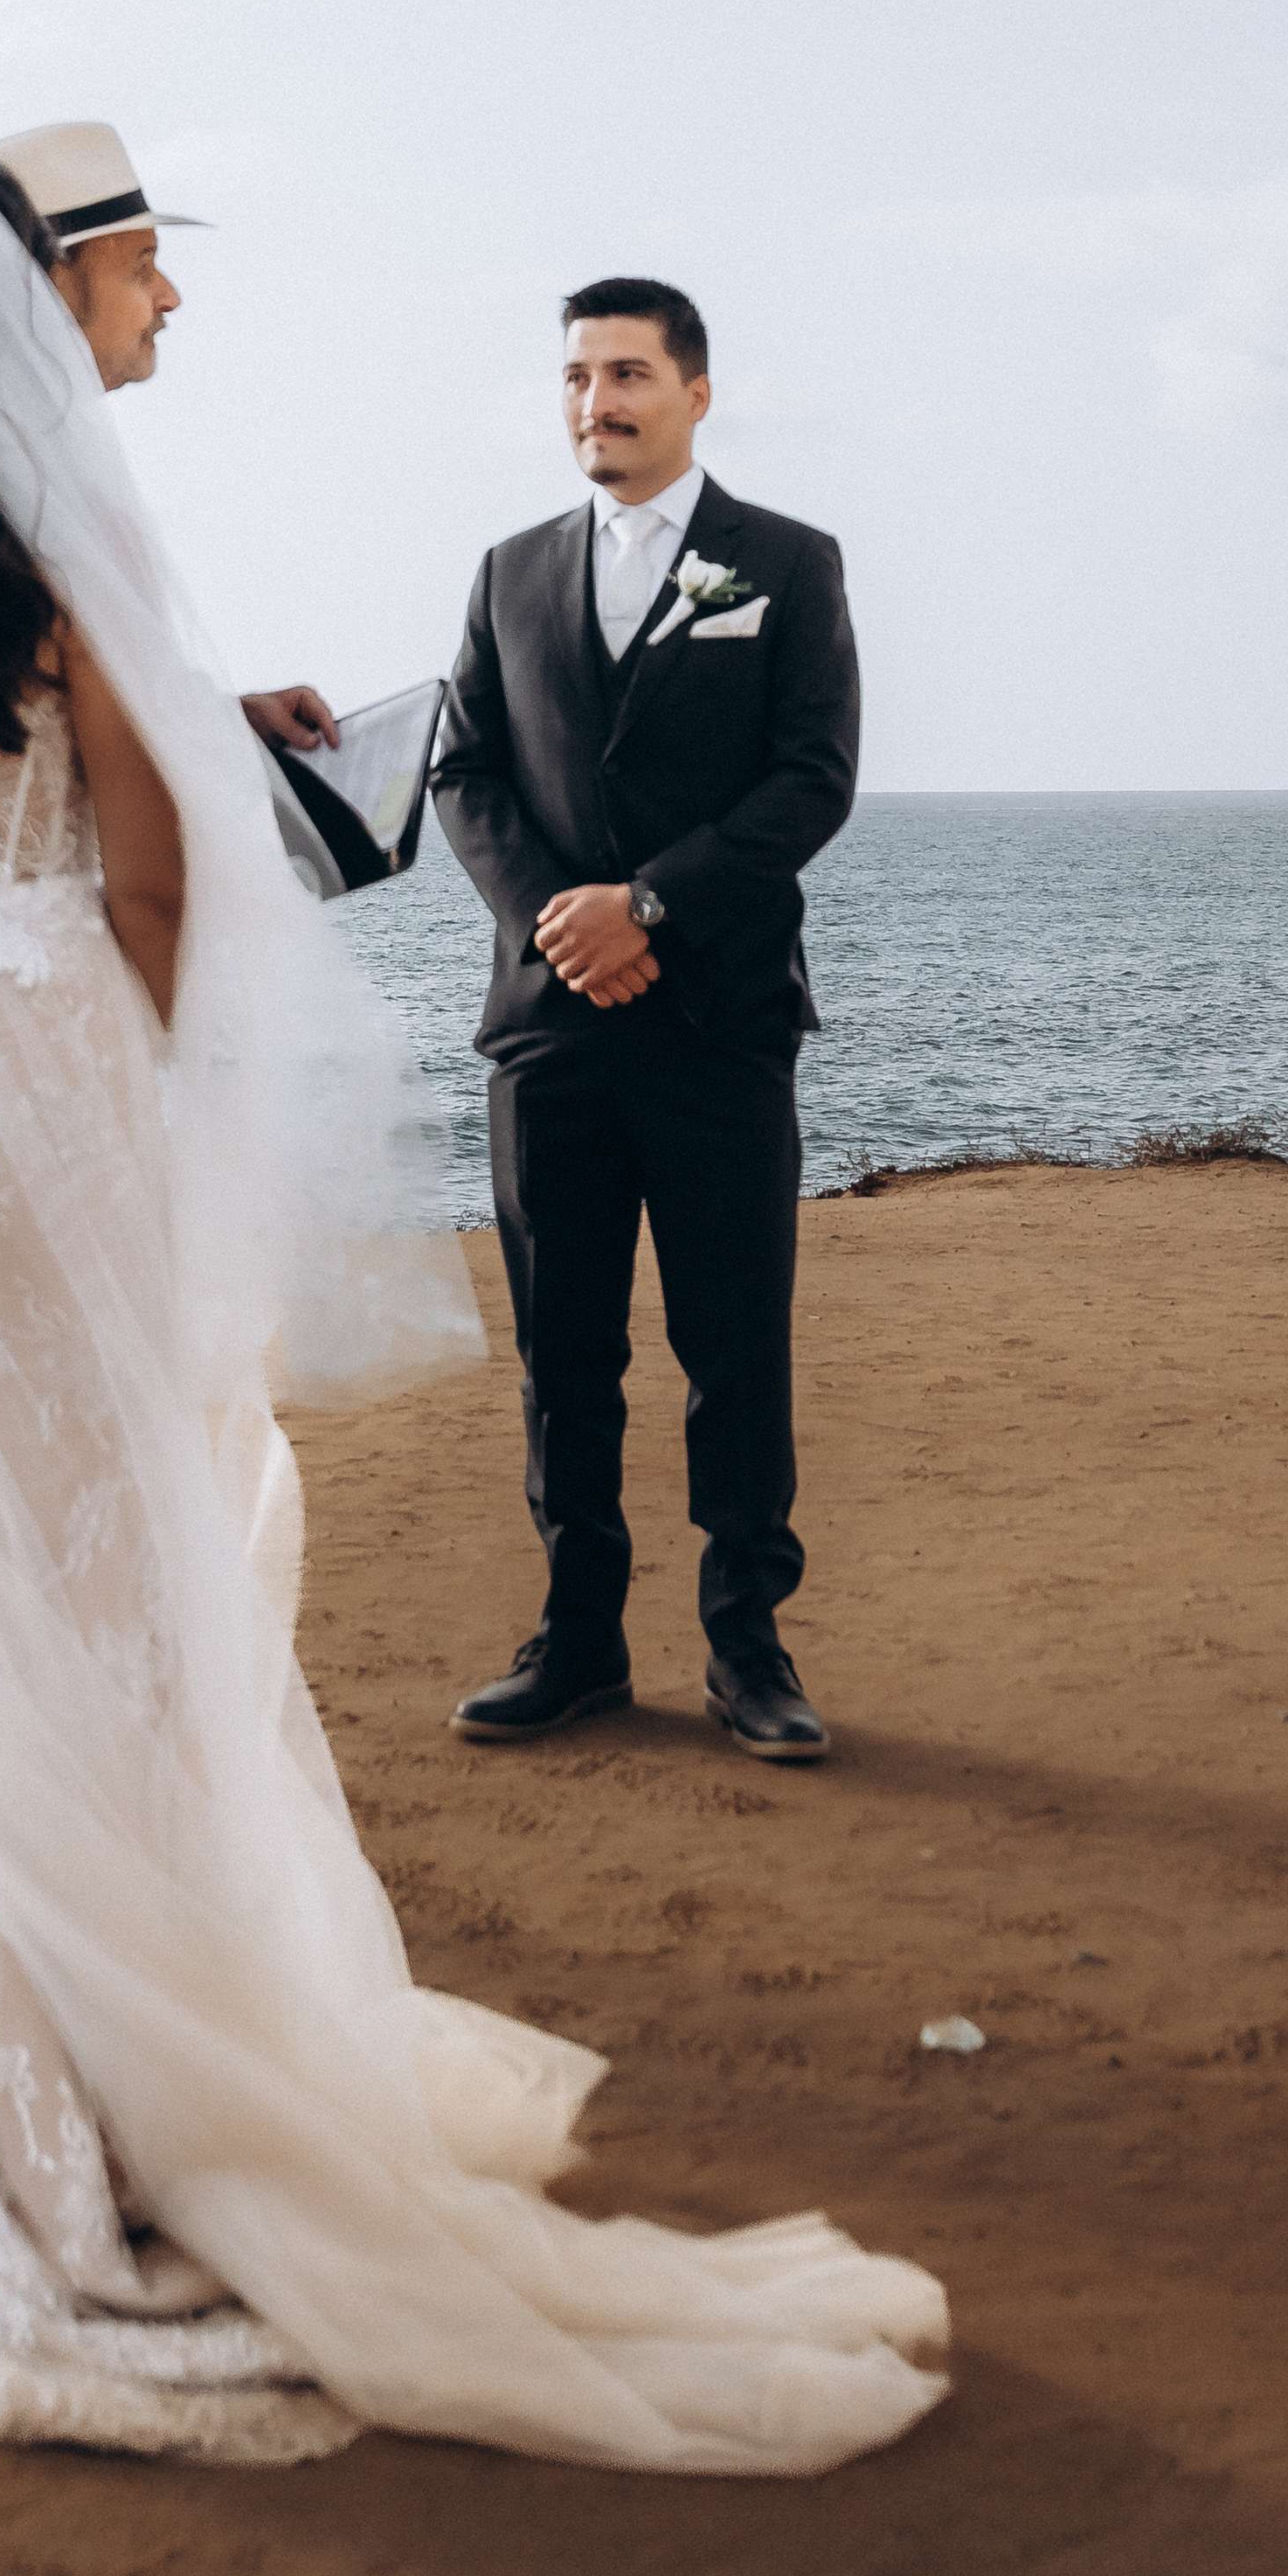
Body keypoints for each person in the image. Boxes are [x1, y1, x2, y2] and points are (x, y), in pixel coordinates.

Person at [0, 145, 945, 2471]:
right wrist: (139, 1090)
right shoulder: (53, 551)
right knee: (92, 1574)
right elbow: (158, 877)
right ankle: (103, 2091)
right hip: (14, 1093)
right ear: (13, 309)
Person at [433, 275, 861, 1765]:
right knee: (565, 1348)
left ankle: (749, 1647)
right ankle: (581, 1640)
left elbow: (813, 780)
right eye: (573, 377)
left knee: (734, 1345)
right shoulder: (506, 572)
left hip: (721, 1022)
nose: (593, 404)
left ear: (693, 393)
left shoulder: (786, 565)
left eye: (625, 375)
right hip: (551, 1030)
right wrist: (569, 923)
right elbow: (462, 775)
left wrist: (653, 910)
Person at [0, 115, 333, 756]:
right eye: (142, 267)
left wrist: (229, 718)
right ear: (54, 286)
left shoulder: (35, 463)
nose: (170, 298)